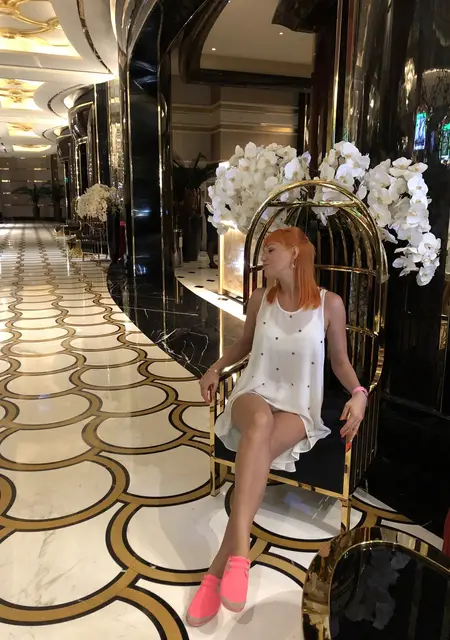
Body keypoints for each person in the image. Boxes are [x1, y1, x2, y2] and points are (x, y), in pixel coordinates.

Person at [186, 227, 368, 627]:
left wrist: (359, 393)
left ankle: (218, 569)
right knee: (259, 423)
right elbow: (244, 344)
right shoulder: (260, 299)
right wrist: (214, 368)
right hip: (253, 393)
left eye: (270, 249)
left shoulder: (329, 305)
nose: (262, 257)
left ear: (295, 253)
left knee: (257, 451)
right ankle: (239, 557)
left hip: (299, 407)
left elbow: (340, 362)